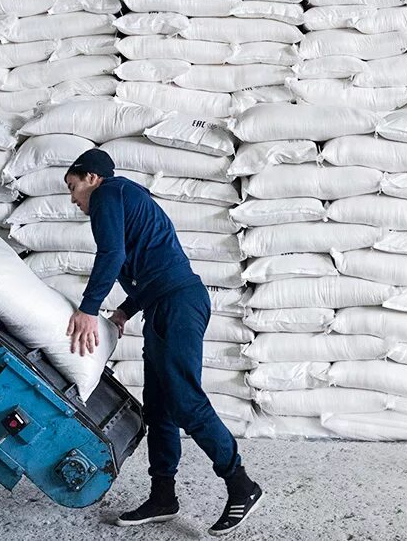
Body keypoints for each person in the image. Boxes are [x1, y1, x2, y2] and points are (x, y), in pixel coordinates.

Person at [63, 148, 264, 536]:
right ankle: (163, 497)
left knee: (185, 401)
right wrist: (122, 311)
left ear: (91, 177)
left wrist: (89, 309)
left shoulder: (108, 193)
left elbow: (112, 253)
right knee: (159, 409)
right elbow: (149, 266)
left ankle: (242, 485)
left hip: (177, 305)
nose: (73, 199)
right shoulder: (127, 198)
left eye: (73, 187)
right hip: (165, 304)